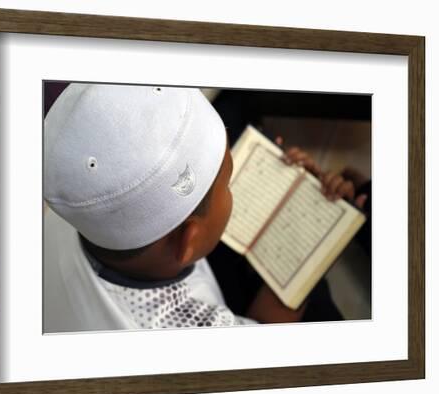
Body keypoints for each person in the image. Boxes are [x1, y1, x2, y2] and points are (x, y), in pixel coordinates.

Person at [42, 83, 362, 332]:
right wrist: (315, 244)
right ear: (189, 239)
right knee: (318, 301)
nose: (233, 187)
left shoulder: (77, 201)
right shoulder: (202, 333)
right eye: (228, 182)